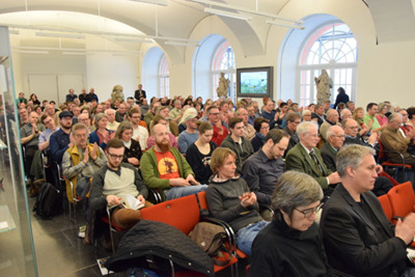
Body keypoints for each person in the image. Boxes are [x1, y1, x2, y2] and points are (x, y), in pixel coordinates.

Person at [320, 144, 415, 277]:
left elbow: (386, 232)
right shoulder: (336, 212)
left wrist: (408, 231)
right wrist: (401, 239)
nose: (376, 175)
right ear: (351, 171)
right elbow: (363, 262)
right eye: (370, 169)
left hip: (394, 266)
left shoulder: (367, 195)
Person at [250, 171, 333, 276]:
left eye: (315, 208)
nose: (313, 217)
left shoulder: (313, 229)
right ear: (284, 209)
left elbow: (325, 267)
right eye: (307, 212)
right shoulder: (266, 244)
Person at [206, 147, 269, 256]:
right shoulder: (213, 189)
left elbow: (256, 209)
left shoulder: (241, 181)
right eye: (229, 164)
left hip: (259, 222)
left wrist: (253, 202)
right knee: (269, 250)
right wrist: (241, 206)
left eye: (234, 163)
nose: (234, 167)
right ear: (218, 167)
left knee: (290, 238)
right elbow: (219, 217)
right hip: (242, 230)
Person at [90, 138, 150, 230]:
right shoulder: (99, 174)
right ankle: (148, 217)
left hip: (136, 202)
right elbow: (93, 203)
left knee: (156, 211)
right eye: (113, 156)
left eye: (120, 156)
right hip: (118, 208)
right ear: (106, 153)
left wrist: (142, 195)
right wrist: (106, 198)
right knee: (133, 216)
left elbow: (142, 186)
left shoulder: (130, 168)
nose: (117, 160)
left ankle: (148, 218)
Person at [140, 123, 207, 200]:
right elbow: (149, 181)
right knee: (205, 189)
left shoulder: (174, 151)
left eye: (166, 134)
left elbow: (186, 167)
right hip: (167, 191)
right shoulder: (147, 156)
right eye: (161, 134)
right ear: (153, 137)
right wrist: (172, 182)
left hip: (183, 185)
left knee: (211, 189)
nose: (165, 137)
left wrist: (189, 175)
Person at [285, 121, 341, 196]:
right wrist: (328, 180)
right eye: (314, 136)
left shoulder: (316, 151)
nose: (317, 139)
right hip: (308, 195)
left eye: (317, 136)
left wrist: (336, 176)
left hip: (323, 190)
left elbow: (324, 170)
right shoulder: (294, 155)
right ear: (303, 136)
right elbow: (302, 183)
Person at [242, 129, 288, 207]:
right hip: (268, 205)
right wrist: (276, 200)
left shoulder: (278, 158)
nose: (282, 154)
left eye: (284, 150)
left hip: (285, 199)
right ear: (270, 142)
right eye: (280, 149)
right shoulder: (252, 163)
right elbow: (253, 193)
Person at [62, 123, 107, 202]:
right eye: (79, 135)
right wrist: (83, 162)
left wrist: (95, 158)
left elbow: (108, 166)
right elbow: (66, 173)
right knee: (93, 187)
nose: (82, 138)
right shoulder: (69, 153)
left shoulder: (96, 148)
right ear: (73, 136)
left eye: (84, 135)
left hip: (99, 178)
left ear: (87, 135)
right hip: (83, 181)